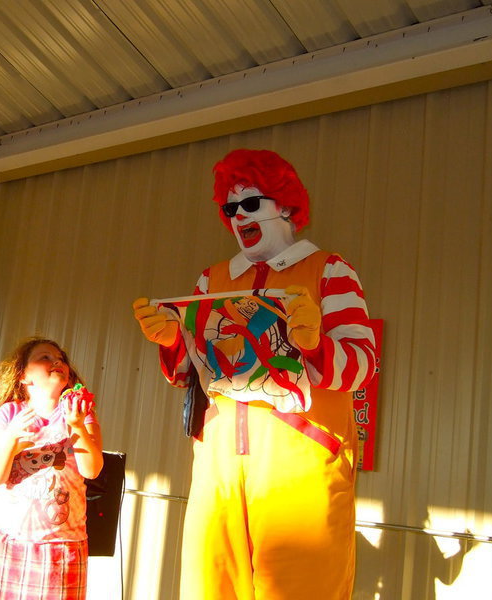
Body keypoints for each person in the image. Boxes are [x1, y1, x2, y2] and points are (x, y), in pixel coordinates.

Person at [132, 149, 376, 600]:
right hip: (218, 465)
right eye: (230, 207)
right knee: (211, 587)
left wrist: (314, 344)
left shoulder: (330, 270)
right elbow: (195, 372)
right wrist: (171, 341)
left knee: (303, 590)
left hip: (301, 462)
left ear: (284, 205)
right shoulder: (212, 278)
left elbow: (361, 363)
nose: (238, 215)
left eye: (251, 203)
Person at [0, 337, 103, 600]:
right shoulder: (9, 414)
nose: (57, 361)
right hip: (11, 541)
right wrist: (11, 437)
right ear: (24, 376)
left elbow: (92, 470)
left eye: (61, 359)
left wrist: (78, 426)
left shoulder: (80, 414)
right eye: (45, 357)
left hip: (62, 547)